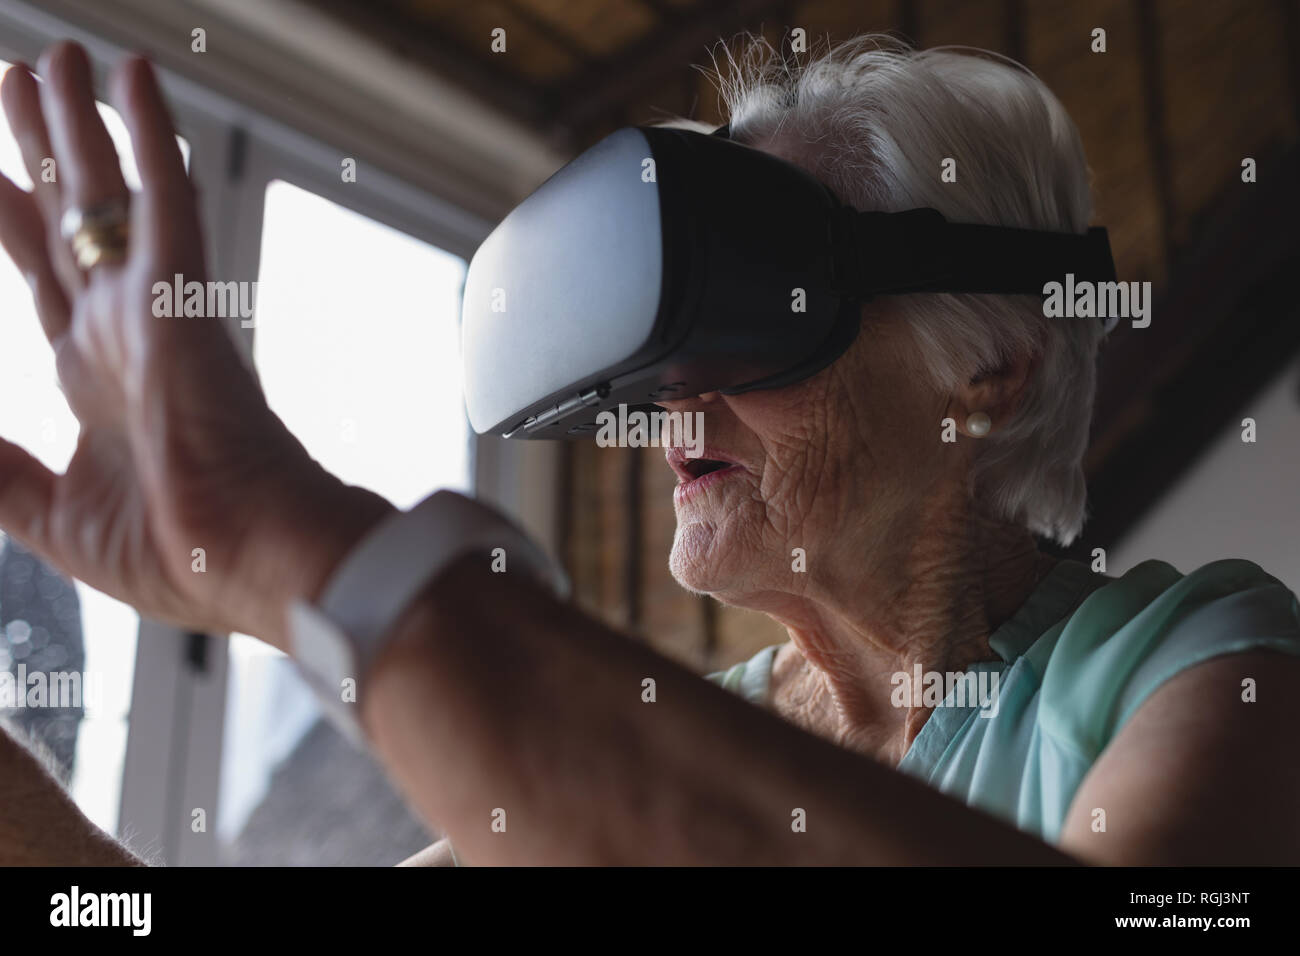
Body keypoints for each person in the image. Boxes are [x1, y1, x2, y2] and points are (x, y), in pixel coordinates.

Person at [0, 38, 1297, 867]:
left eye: (757, 309)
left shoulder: (1203, 668)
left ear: (990, 367)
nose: (674, 397)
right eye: (661, 333)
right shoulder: (655, 736)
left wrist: (310, 552)